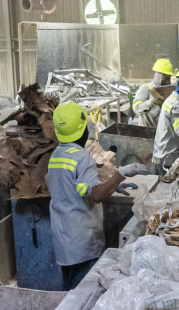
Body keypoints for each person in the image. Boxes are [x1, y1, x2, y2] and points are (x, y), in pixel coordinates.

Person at [46, 100, 125, 289]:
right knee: (83, 294)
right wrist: (120, 176)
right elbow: (95, 195)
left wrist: (111, 187)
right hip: (83, 243)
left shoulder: (56, 155)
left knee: (71, 290)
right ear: (84, 130)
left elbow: (77, 189)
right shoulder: (82, 158)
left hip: (64, 241)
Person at [132, 58, 174, 128]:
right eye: (165, 78)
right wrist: (150, 102)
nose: (167, 81)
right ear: (158, 75)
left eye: (168, 78)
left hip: (162, 131)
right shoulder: (145, 89)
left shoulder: (168, 90)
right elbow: (136, 108)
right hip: (147, 131)